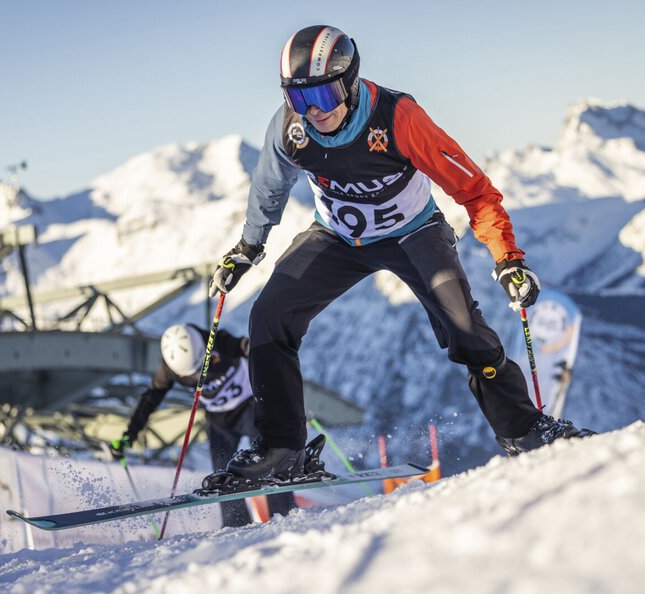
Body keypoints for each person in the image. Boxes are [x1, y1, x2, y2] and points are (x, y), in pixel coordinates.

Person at [209, 25, 593, 480]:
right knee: (269, 317)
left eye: (325, 97)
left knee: (464, 327)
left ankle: (524, 429)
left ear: (350, 83)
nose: (314, 112)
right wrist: (248, 248)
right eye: (299, 99)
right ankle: (281, 449)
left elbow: (474, 191)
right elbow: (269, 188)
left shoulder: (397, 118)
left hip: (412, 233)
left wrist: (508, 258)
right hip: (337, 239)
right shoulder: (290, 129)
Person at [111, 323, 296, 527]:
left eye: (199, 367)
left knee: (269, 459)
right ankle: (237, 528)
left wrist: (278, 382)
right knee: (223, 478)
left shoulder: (218, 341)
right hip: (219, 422)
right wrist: (130, 434)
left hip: (250, 409)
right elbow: (150, 398)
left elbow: (250, 348)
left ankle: (285, 516)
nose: (196, 374)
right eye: (188, 374)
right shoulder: (170, 369)